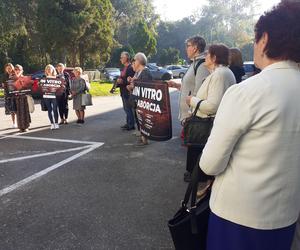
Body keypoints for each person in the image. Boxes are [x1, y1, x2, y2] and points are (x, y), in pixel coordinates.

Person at [199, 2, 300, 250]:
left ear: (264, 39)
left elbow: (210, 163)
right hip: (286, 216)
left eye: (255, 39)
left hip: (238, 217)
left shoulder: (247, 91)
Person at [185, 44, 236, 182]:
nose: (205, 57)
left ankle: (202, 187)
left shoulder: (220, 74)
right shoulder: (221, 73)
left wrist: (192, 100)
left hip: (206, 125)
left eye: (208, 54)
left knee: (201, 161)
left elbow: (213, 106)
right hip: (210, 124)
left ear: (214, 58)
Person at [168, 36, 210, 182]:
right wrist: (178, 85)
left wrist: (191, 115)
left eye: (188, 45)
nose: (186, 48)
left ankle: (196, 176)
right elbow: (190, 87)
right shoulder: (194, 63)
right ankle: (193, 174)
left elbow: (200, 92)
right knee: (191, 147)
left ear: (196, 47)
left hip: (193, 115)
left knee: (195, 147)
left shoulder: (202, 65)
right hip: (188, 114)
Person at [127, 52, 153, 146]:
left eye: (134, 60)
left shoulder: (145, 72)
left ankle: (145, 139)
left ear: (139, 61)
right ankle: (142, 138)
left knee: (143, 119)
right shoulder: (138, 72)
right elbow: (136, 84)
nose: (133, 61)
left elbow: (144, 88)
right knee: (139, 119)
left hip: (142, 102)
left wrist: (132, 86)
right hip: (137, 101)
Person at [117, 52, 135, 131]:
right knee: (126, 108)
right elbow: (123, 78)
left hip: (128, 91)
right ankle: (128, 123)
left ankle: (131, 125)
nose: (120, 59)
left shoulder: (130, 68)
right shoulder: (123, 68)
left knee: (128, 108)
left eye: (122, 57)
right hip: (123, 90)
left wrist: (122, 81)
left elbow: (131, 80)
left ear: (126, 58)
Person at [13, 64, 31, 132]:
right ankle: (20, 127)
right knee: (19, 112)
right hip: (17, 97)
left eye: (19, 70)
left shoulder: (25, 78)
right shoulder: (13, 78)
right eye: (16, 70)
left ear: (22, 70)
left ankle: (26, 126)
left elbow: (28, 87)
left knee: (25, 111)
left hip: (24, 97)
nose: (17, 71)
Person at [43, 64, 59, 130]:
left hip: (54, 96)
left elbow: (59, 86)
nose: (49, 70)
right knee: (49, 110)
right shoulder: (43, 77)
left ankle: (56, 123)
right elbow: (41, 87)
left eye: (50, 69)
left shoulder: (56, 77)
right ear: (46, 70)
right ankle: (52, 123)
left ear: (53, 70)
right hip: (46, 95)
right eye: (47, 69)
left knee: (55, 109)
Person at [2, 63, 17, 128]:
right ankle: (14, 123)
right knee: (11, 110)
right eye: (7, 68)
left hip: (16, 94)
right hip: (8, 94)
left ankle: (20, 122)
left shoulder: (15, 74)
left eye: (10, 68)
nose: (9, 69)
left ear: (12, 68)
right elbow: (3, 85)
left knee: (17, 109)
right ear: (5, 69)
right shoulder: (4, 76)